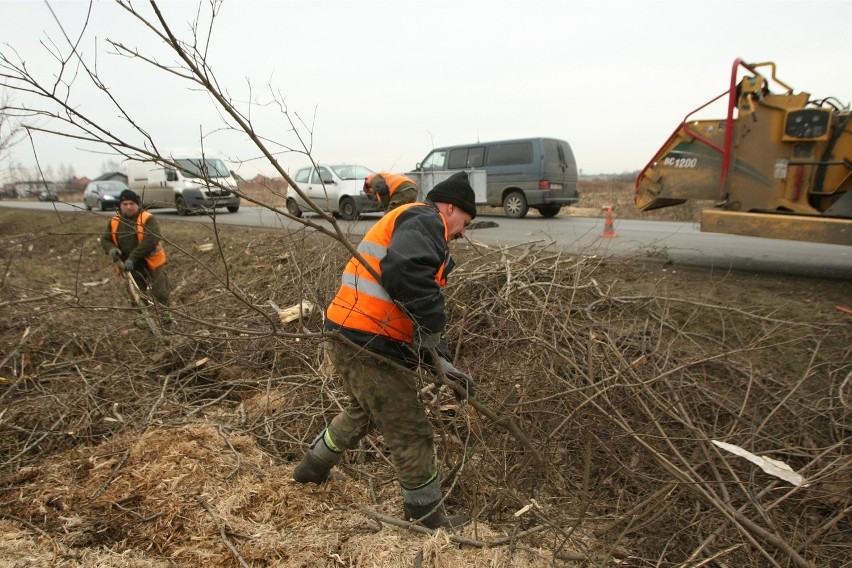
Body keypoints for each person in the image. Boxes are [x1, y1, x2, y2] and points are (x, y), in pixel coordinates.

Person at [294, 171, 478, 530]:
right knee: (411, 429)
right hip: (364, 337)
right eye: (465, 222)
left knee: (362, 413)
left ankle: (310, 470)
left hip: (355, 333)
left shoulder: (417, 226)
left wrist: (442, 359)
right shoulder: (426, 219)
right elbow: (406, 275)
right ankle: (425, 516)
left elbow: (411, 304)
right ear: (451, 208)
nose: (463, 232)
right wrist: (435, 330)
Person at [101, 189, 172, 324]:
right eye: (125, 204)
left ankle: (166, 315)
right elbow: (105, 239)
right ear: (120, 206)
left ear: (138, 204)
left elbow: (151, 239)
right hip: (130, 265)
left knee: (160, 291)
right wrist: (112, 250)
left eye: (131, 203)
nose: (128, 207)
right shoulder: (114, 221)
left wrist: (133, 257)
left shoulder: (147, 218)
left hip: (151, 260)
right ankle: (143, 319)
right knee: (136, 293)